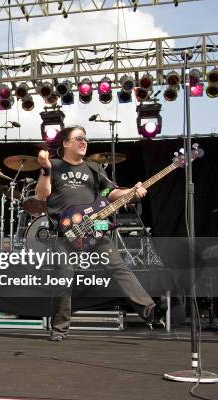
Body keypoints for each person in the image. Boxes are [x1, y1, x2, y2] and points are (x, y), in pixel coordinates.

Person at [35, 126, 157, 342]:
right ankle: (60, 329)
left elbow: (111, 193)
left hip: (95, 227)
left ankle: (148, 309)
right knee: (64, 278)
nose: (84, 142)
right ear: (65, 143)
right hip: (65, 233)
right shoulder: (53, 166)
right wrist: (44, 169)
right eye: (79, 138)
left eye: (85, 139)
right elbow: (42, 195)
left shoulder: (93, 168)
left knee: (119, 267)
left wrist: (132, 191)